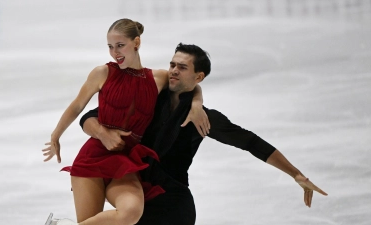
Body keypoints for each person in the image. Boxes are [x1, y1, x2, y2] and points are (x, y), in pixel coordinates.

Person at [80, 43, 328, 225]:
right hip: (132, 184)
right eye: (172, 65)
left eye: (182, 67)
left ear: (199, 77)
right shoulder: (148, 96)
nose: (174, 71)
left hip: (172, 201)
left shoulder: (204, 118)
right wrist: (102, 134)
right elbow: (89, 116)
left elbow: (249, 142)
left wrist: (295, 173)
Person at [41, 19, 210, 225]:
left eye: (120, 45)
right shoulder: (102, 73)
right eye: (110, 47)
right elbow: (77, 106)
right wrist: (56, 135)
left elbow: (189, 83)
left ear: (136, 43)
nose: (115, 52)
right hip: (93, 157)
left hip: (126, 160)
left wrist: (197, 104)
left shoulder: (158, 78)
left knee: (130, 212)